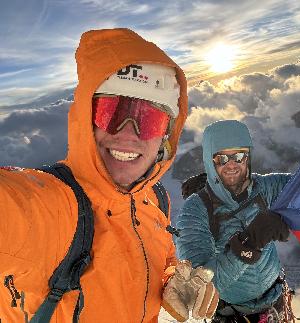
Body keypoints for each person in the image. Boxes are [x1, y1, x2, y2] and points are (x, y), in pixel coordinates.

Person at [0, 28, 217, 322]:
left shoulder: (154, 198)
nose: (128, 133)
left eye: (149, 119)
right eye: (110, 112)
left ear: (165, 137)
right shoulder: (48, 209)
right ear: (84, 121)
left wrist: (169, 281)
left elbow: (159, 253)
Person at [175, 114, 300, 322]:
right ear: (210, 162)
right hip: (231, 313)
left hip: (275, 302)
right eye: (221, 158)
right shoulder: (195, 212)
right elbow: (198, 288)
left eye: (239, 156)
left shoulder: (266, 188)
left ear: (248, 157)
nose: (231, 165)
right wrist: (250, 242)